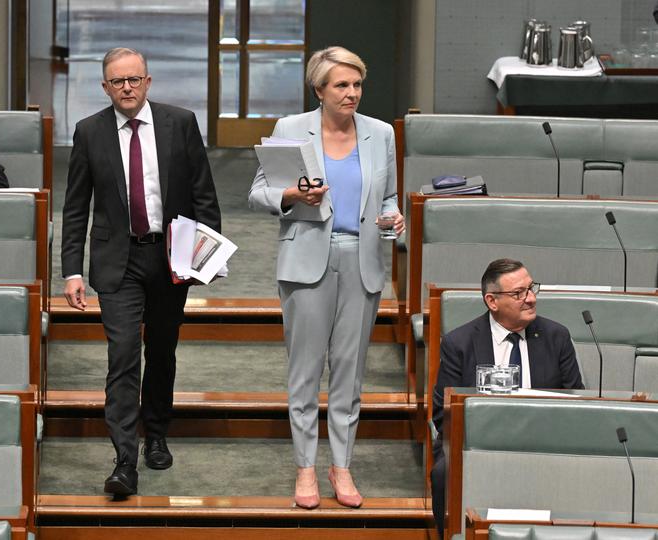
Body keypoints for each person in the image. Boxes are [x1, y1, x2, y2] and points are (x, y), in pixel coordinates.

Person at [249, 46, 404, 509]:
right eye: (342, 85)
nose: (352, 93)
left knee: (349, 375)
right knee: (305, 372)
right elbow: (260, 192)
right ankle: (304, 469)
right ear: (320, 90)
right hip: (307, 261)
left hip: (363, 261)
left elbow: (389, 197)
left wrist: (395, 219)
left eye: (357, 85)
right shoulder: (291, 130)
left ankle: (341, 467)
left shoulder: (381, 134)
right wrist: (294, 195)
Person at [61, 47, 221, 498]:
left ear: (147, 82)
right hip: (118, 261)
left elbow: (204, 196)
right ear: (105, 87)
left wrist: (204, 257)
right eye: (117, 81)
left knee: (163, 349)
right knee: (124, 352)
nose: (127, 88)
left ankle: (158, 432)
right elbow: (76, 208)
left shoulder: (180, 123)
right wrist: (71, 270)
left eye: (134, 80)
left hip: (170, 257)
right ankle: (125, 460)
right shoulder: (89, 132)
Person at [430, 258, 584, 537]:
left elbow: (577, 406)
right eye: (519, 293)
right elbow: (442, 415)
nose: (531, 298)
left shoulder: (556, 337)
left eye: (531, 288)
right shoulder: (459, 343)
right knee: (443, 473)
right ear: (492, 301)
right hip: (478, 444)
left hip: (546, 443)